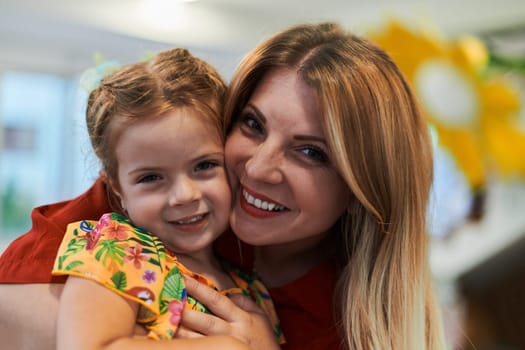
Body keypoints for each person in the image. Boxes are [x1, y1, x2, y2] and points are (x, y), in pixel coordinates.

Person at [0, 22, 446, 350]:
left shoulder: (342, 316)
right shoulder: (126, 229)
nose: (258, 167)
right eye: (253, 124)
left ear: (360, 189)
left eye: (312, 152)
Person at [52, 47, 281, 350]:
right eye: (151, 177)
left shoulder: (252, 290)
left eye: (204, 166)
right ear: (117, 188)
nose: (184, 195)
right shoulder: (116, 249)